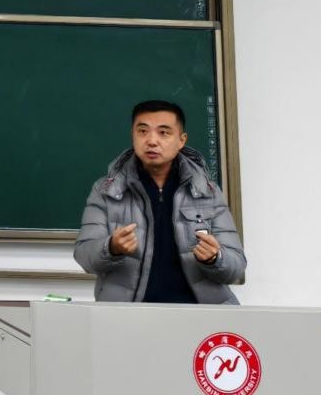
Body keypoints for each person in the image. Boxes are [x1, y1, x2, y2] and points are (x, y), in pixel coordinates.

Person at [74, 100, 246, 304]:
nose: (152, 141)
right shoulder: (106, 191)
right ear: (133, 135)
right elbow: (84, 256)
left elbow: (236, 266)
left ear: (181, 140)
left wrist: (215, 258)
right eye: (142, 131)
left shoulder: (207, 191)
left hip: (199, 312)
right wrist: (111, 247)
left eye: (164, 132)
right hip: (129, 314)